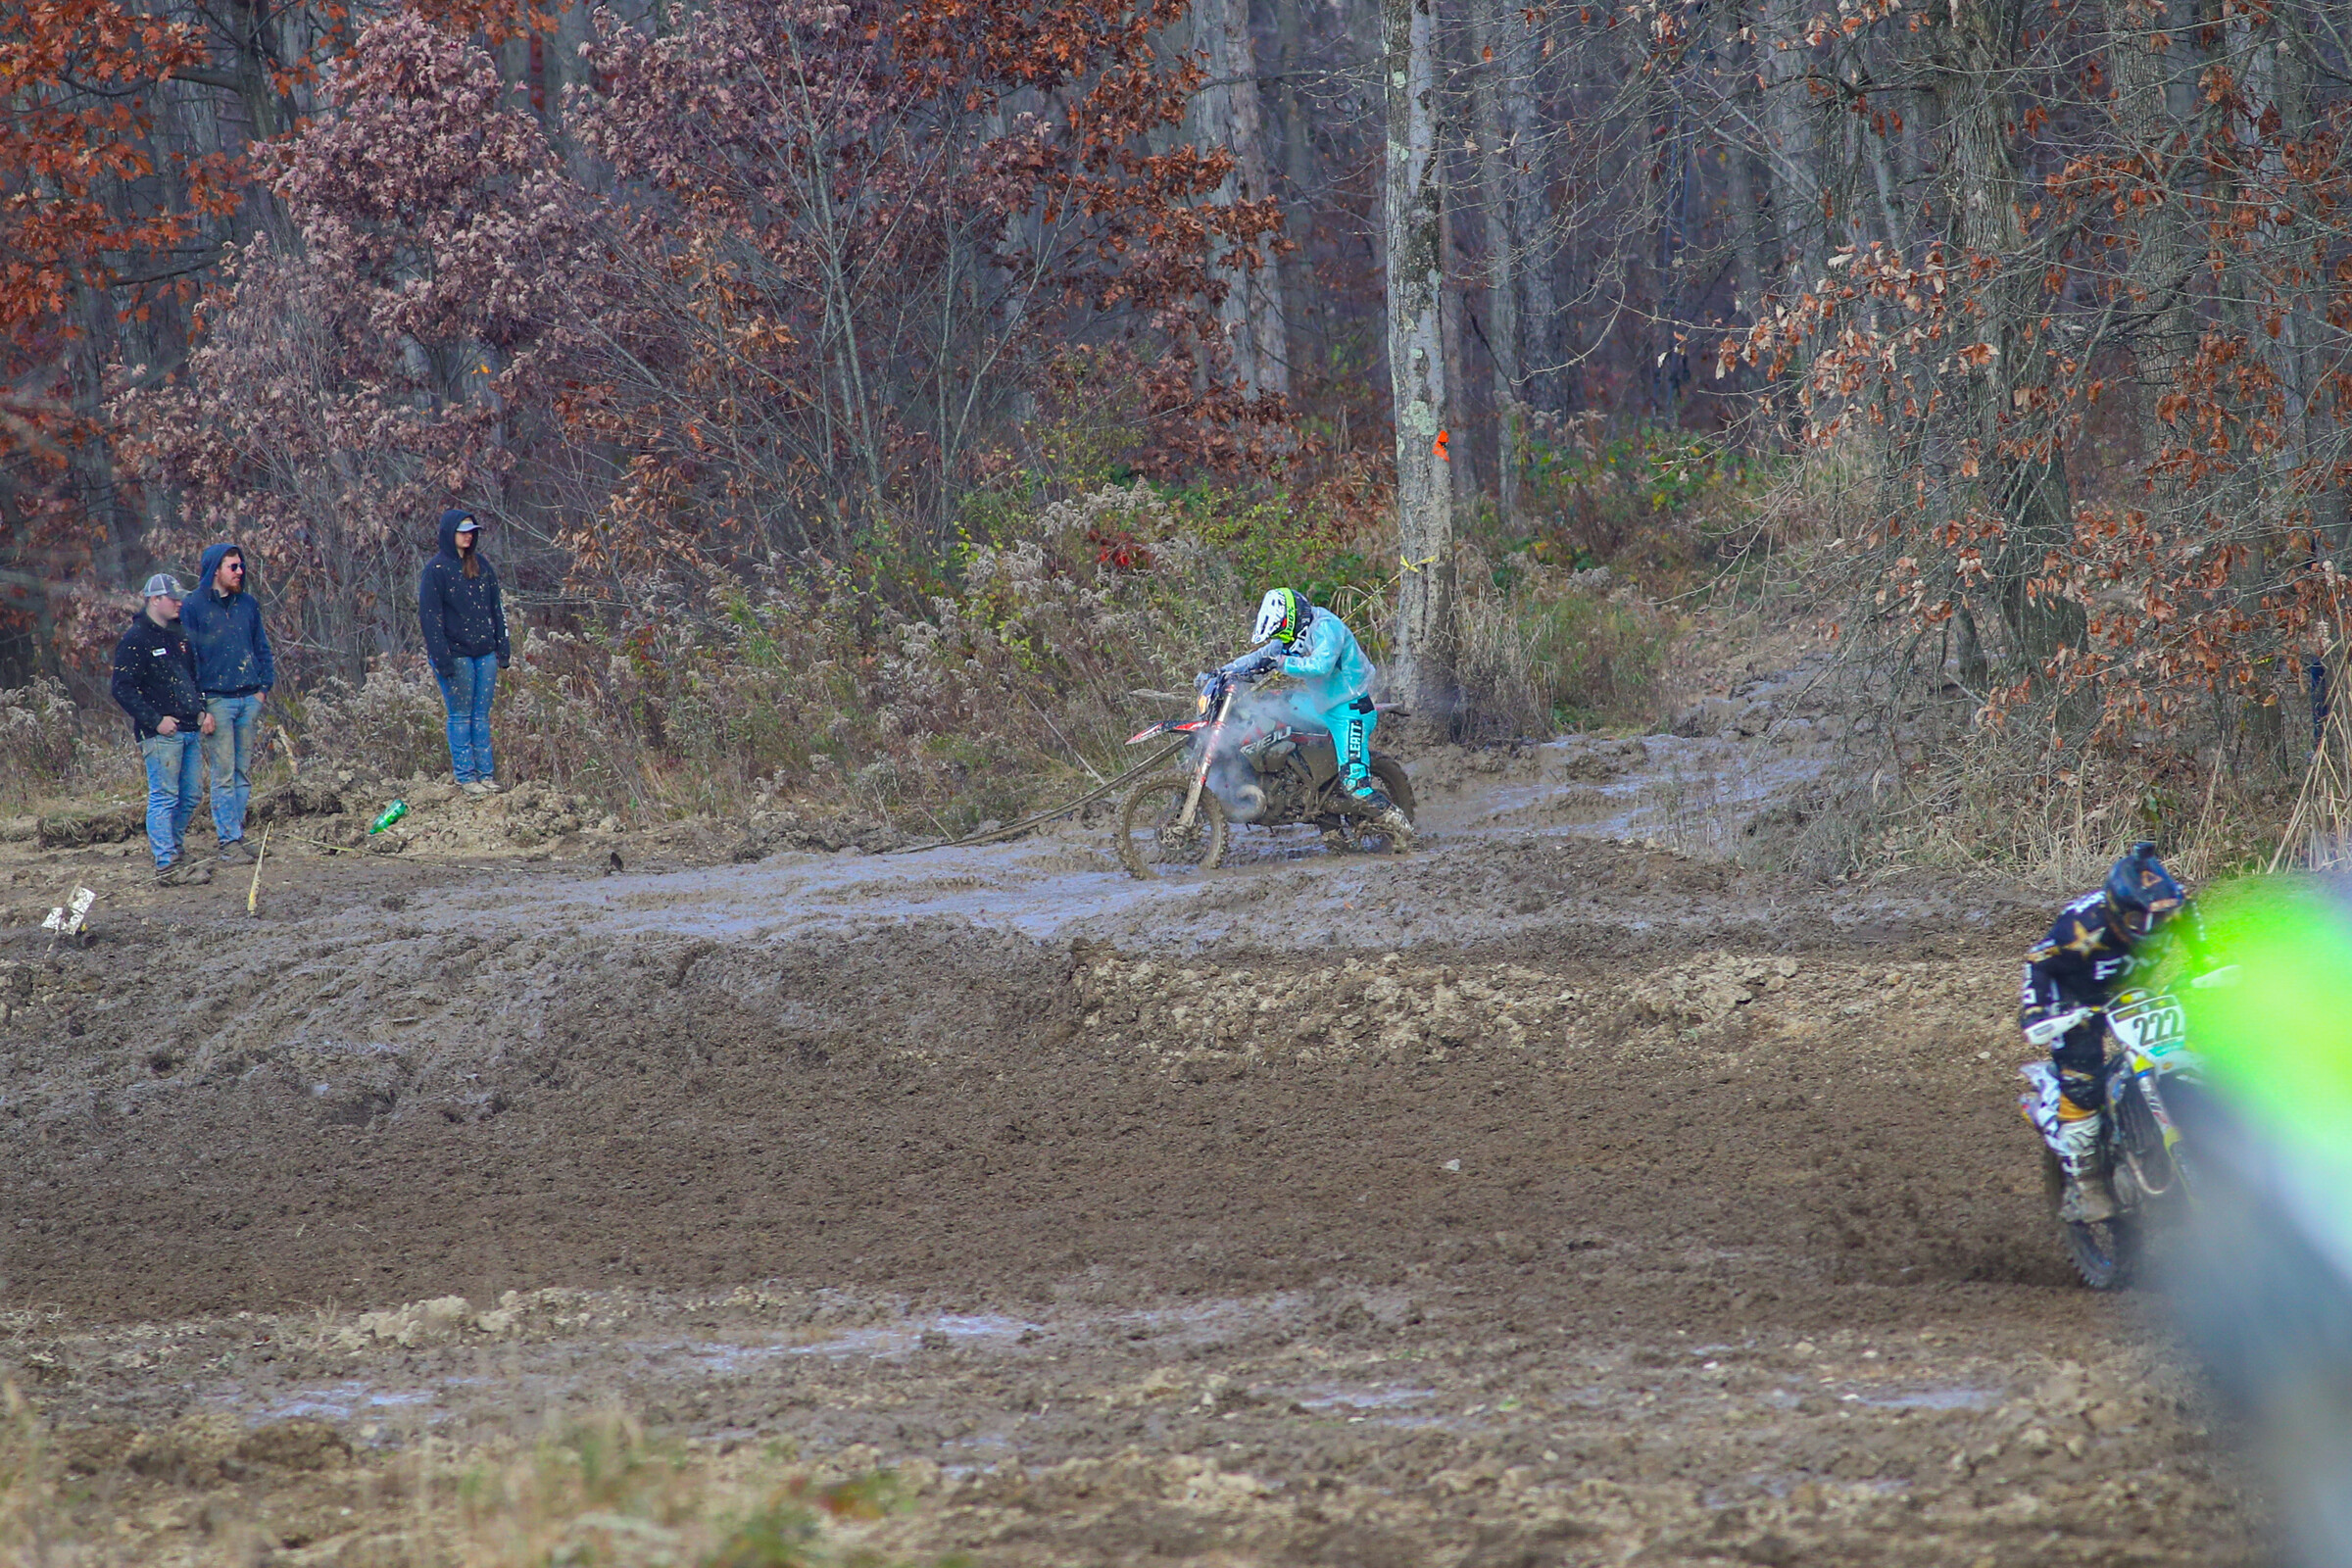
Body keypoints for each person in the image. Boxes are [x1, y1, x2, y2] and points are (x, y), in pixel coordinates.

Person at [2019, 840, 2191, 1222]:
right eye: (2138, 921)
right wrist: (2036, 1012)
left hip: (2131, 988)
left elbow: (2192, 923)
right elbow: (2037, 962)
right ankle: (2088, 1186)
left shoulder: (2169, 905)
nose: (2152, 927)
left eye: (2159, 918)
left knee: (2191, 1038)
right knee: (2083, 1082)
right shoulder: (2079, 927)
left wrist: (2207, 961)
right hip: (2076, 1000)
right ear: (2116, 912)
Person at [1213, 587, 1411, 842]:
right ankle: (1293, 784)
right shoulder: (1297, 633)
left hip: (1350, 709)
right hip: (1321, 706)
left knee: (1355, 786)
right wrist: (1222, 673)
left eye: (1282, 631)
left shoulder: (1327, 627)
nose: (1281, 638)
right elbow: (1262, 655)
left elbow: (1321, 666)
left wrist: (1280, 662)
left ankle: (1403, 831)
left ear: (1292, 617)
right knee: (1270, 705)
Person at [108, 573, 217, 886]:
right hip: (160, 734)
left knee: (191, 795)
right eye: (173, 598)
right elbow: (122, 687)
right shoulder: (136, 638)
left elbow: (191, 677)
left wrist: (200, 708)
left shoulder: (179, 634)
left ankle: (176, 851)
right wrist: (155, 720)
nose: (180, 603)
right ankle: (166, 864)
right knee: (164, 797)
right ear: (155, 600)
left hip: (189, 727)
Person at [180, 541, 274, 864]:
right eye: (232, 566)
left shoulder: (247, 604)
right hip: (216, 701)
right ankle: (228, 842)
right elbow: (188, 659)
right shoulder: (193, 606)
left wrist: (263, 689)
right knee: (223, 774)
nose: (240, 571)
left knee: (242, 773)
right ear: (215, 570)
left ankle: (238, 835)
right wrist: (199, 707)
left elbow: (262, 647)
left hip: (248, 697)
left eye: (241, 565)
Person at [417, 507, 511, 795]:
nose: (468, 537)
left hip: (485, 653)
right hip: (455, 655)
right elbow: (430, 618)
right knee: (460, 715)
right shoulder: (436, 571)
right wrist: (441, 658)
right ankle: (466, 777)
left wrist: (503, 645)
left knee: (481, 716)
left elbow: (496, 608)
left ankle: (486, 775)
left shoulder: (481, 566)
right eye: (463, 531)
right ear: (450, 533)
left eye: (472, 532)